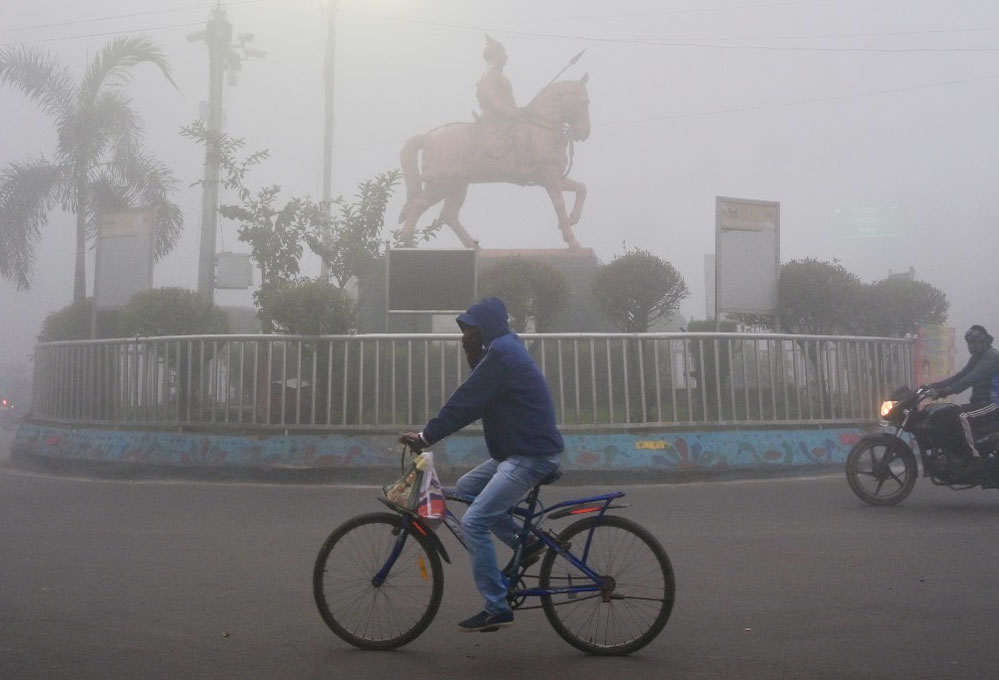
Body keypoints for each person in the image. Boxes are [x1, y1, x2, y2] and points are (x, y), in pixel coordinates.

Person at [399, 297, 563, 633]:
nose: (466, 337)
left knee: (473, 521)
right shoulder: (503, 349)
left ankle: (496, 606)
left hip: (530, 455)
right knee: (468, 489)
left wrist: (426, 436)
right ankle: (524, 542)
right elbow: (474, 397)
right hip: (518, 452)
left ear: (486, 328)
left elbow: (466, 401)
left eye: (471, 330)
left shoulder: (502, 354)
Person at [924, 324, 999, 464]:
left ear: (985, 341)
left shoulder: (991, 357)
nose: (973, 346)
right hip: (980, 403)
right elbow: (960, 376)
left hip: (993, 404)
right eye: (970, 343)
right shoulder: (977, 358)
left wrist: (946, 391)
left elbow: (970, 379)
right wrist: (931, 386)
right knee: (948, 415)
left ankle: (974, 457)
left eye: (976, 342)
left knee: (961, 416)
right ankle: (956, 454)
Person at [475, 35, 522, 126]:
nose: (506, 56)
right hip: (498, 120)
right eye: (503, 53)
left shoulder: (494, 73)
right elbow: (490, 97)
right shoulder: (491, 73)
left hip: (505, 118)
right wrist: (509, 111)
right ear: (497, 55)